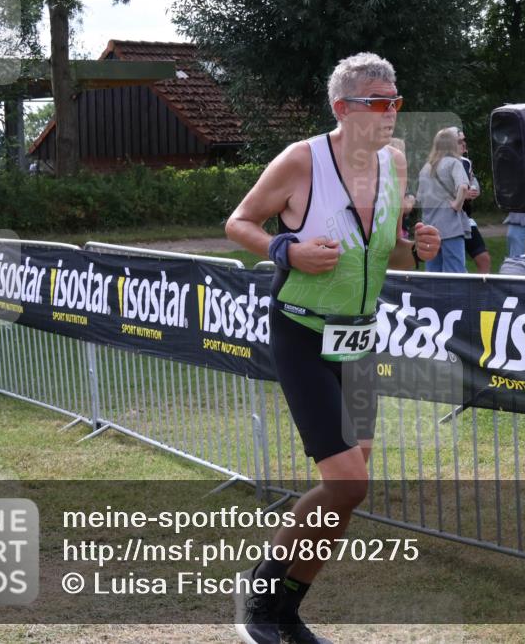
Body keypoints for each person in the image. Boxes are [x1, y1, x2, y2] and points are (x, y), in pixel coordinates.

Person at [224, 52, 441, 644]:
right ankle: (264, 598)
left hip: (359, 336)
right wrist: (285, 251)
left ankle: (284, 611)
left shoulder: (394, 164)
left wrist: (416, 248)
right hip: (301, 331)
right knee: (348, 482)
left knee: (347, 489)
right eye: (377, 102)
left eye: (395, 101)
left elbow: (391, 255)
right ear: (342, 108)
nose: (390, 112)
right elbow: (239, 222)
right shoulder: (302, 160)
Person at [419, 126, 472, 273]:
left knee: (433, 274)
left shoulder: (426, 168)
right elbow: (463, 187)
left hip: (430, 229)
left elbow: (420, 198)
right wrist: (457, 204)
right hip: (451, 227)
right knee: (455, 273)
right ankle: (456, 297)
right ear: (452, 144)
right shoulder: (454, 163)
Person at [457, 129, 490, 273]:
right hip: (450, 221)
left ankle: (481, 294)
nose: (464, 144)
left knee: (484, 258)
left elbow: (474, 185)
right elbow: (438, 194)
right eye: (460, 141)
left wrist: (473, 190)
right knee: (455, 265)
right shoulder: (439, 164)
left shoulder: (466, 163)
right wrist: (463, 195)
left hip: (466, 218)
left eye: (464, 141)